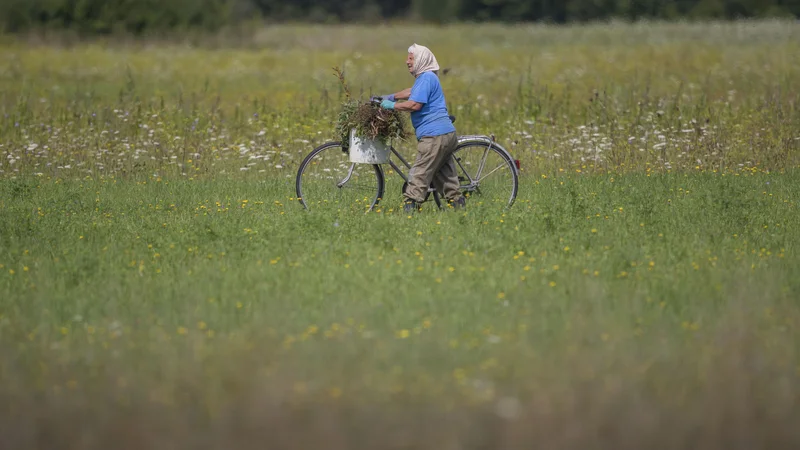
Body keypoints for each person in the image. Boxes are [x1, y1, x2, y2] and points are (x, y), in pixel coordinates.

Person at [378, 43, 465, 214]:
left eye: (411, 58)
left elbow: (415, 104)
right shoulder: (426, 78)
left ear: (421, 60)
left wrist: (391, 105)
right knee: (446, 177)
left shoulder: (426, 78)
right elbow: (412, 92)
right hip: (445, 134)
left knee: (420, 172)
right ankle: (458, 208)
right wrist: (391, 96)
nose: (407, 61)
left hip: (434, 136)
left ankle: (410, 208)